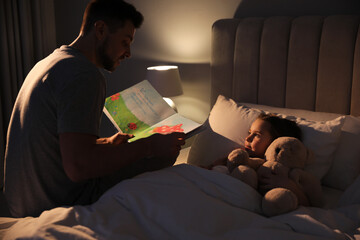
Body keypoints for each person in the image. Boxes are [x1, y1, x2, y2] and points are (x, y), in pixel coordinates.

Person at [3, 0, 185, 218]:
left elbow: (57, 142)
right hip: (57, 203)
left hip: (20, 205)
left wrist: (106, 143)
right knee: (162, 156)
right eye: (125, 42)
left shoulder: (49, 63)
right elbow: (78, 166)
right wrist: (150, 146)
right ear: (100, 30)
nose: (128, 53)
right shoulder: (84, 74)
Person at [212, 113, 309, 206]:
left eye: (257, 135)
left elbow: (307, 203)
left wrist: (288, 184)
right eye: (249, 133)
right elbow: (210, 170)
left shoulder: (282, 172)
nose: (248, 138)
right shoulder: (240, 156)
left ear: (276, 142)